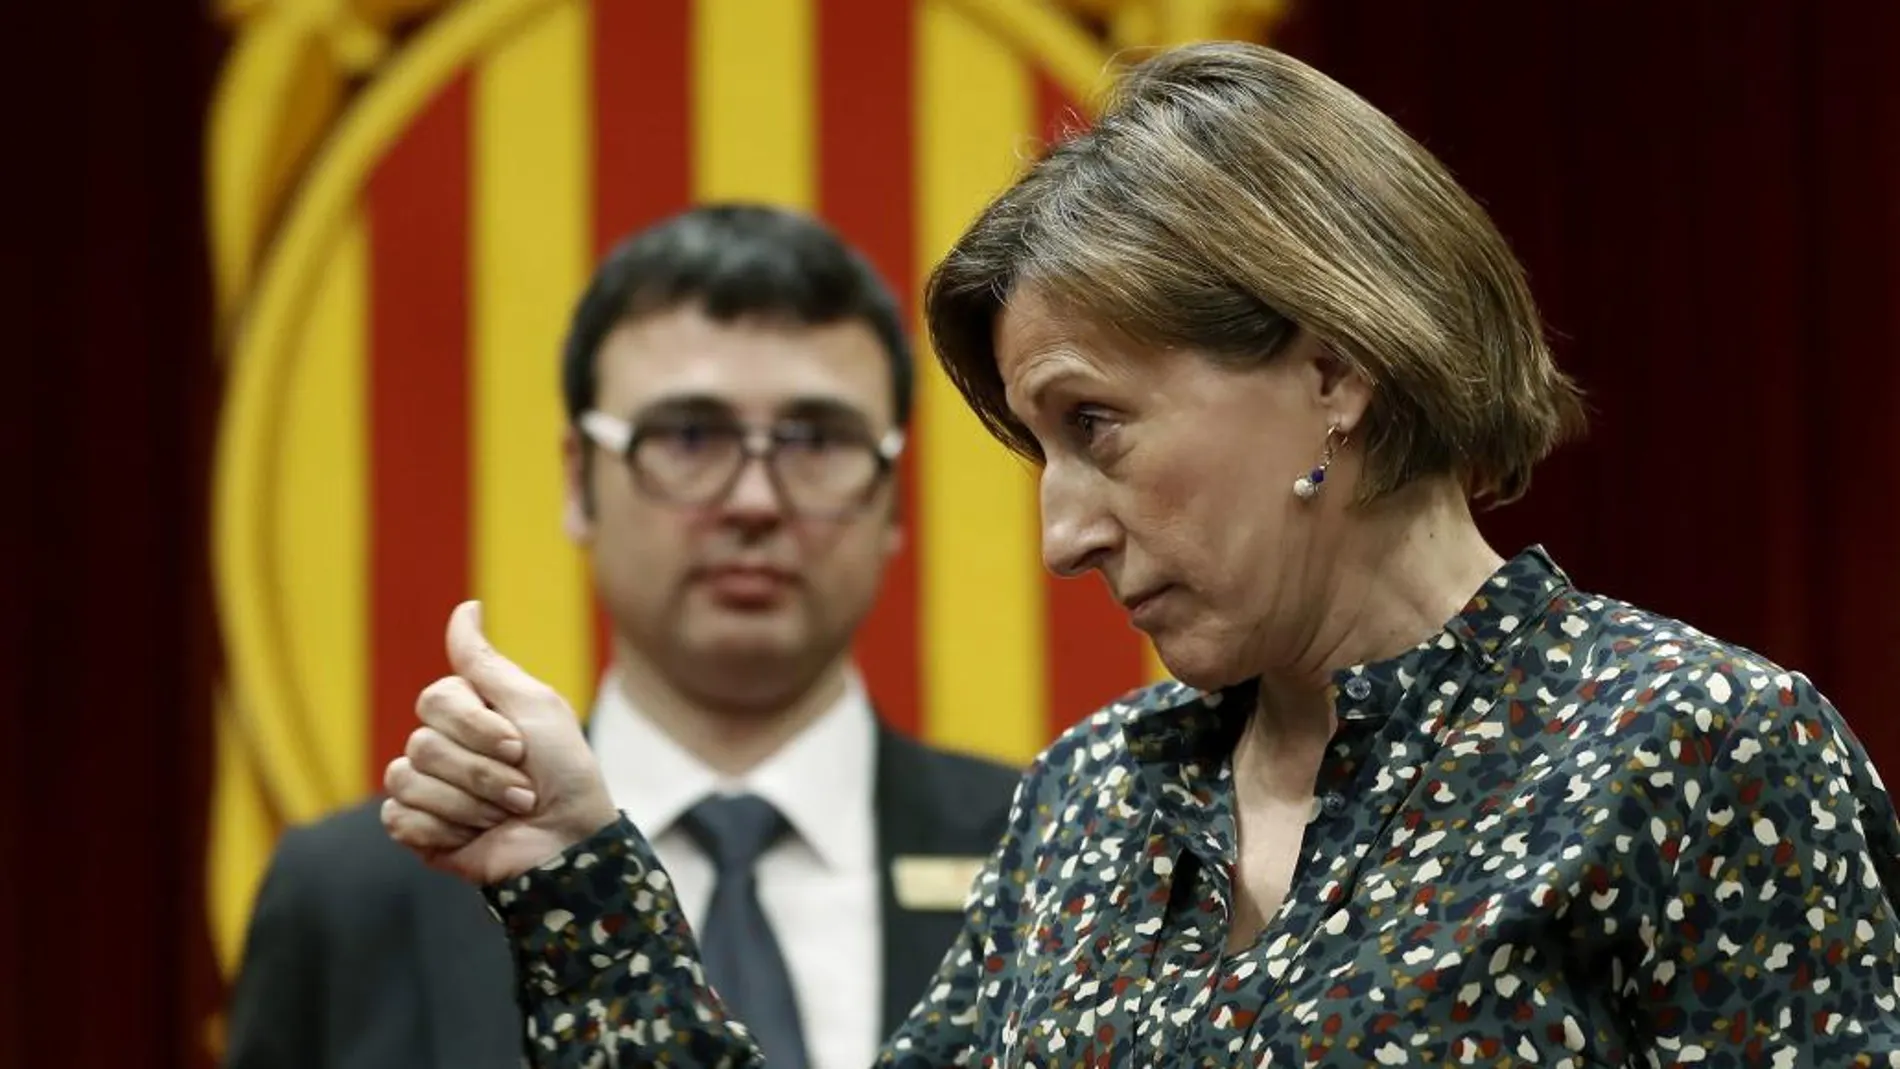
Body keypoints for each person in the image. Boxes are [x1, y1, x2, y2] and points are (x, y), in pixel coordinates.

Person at [379, 42, 1900, 1067]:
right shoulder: (1095, 795)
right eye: (1039, 451)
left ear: (1333, 367)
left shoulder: (1696, 754)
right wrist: (576, 877)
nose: (1059, 533)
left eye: (1095, 426)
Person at [221, 205, 1022, 1069]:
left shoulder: (1049, 857)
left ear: (893, 497)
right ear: (578, 479)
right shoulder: (359, 895)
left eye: (816, 440)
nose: (754, 501)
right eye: (687, 436)